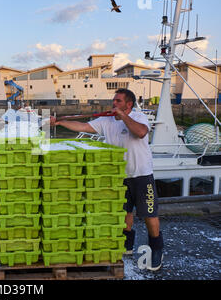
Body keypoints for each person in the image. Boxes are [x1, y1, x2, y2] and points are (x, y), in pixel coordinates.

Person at [50, 89, 164, 271]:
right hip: (119, 175)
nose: (114, 104)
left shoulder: (139, 117)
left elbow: (141, 132)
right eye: (114, 101)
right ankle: (126, 246)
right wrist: (60, 122)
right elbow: (83, 127)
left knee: (149, 215)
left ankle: (157, 248)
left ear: (128, 104)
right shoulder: (106, 120)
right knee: (124, 213)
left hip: (142, 175)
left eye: (118, 101)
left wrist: (123, 117)